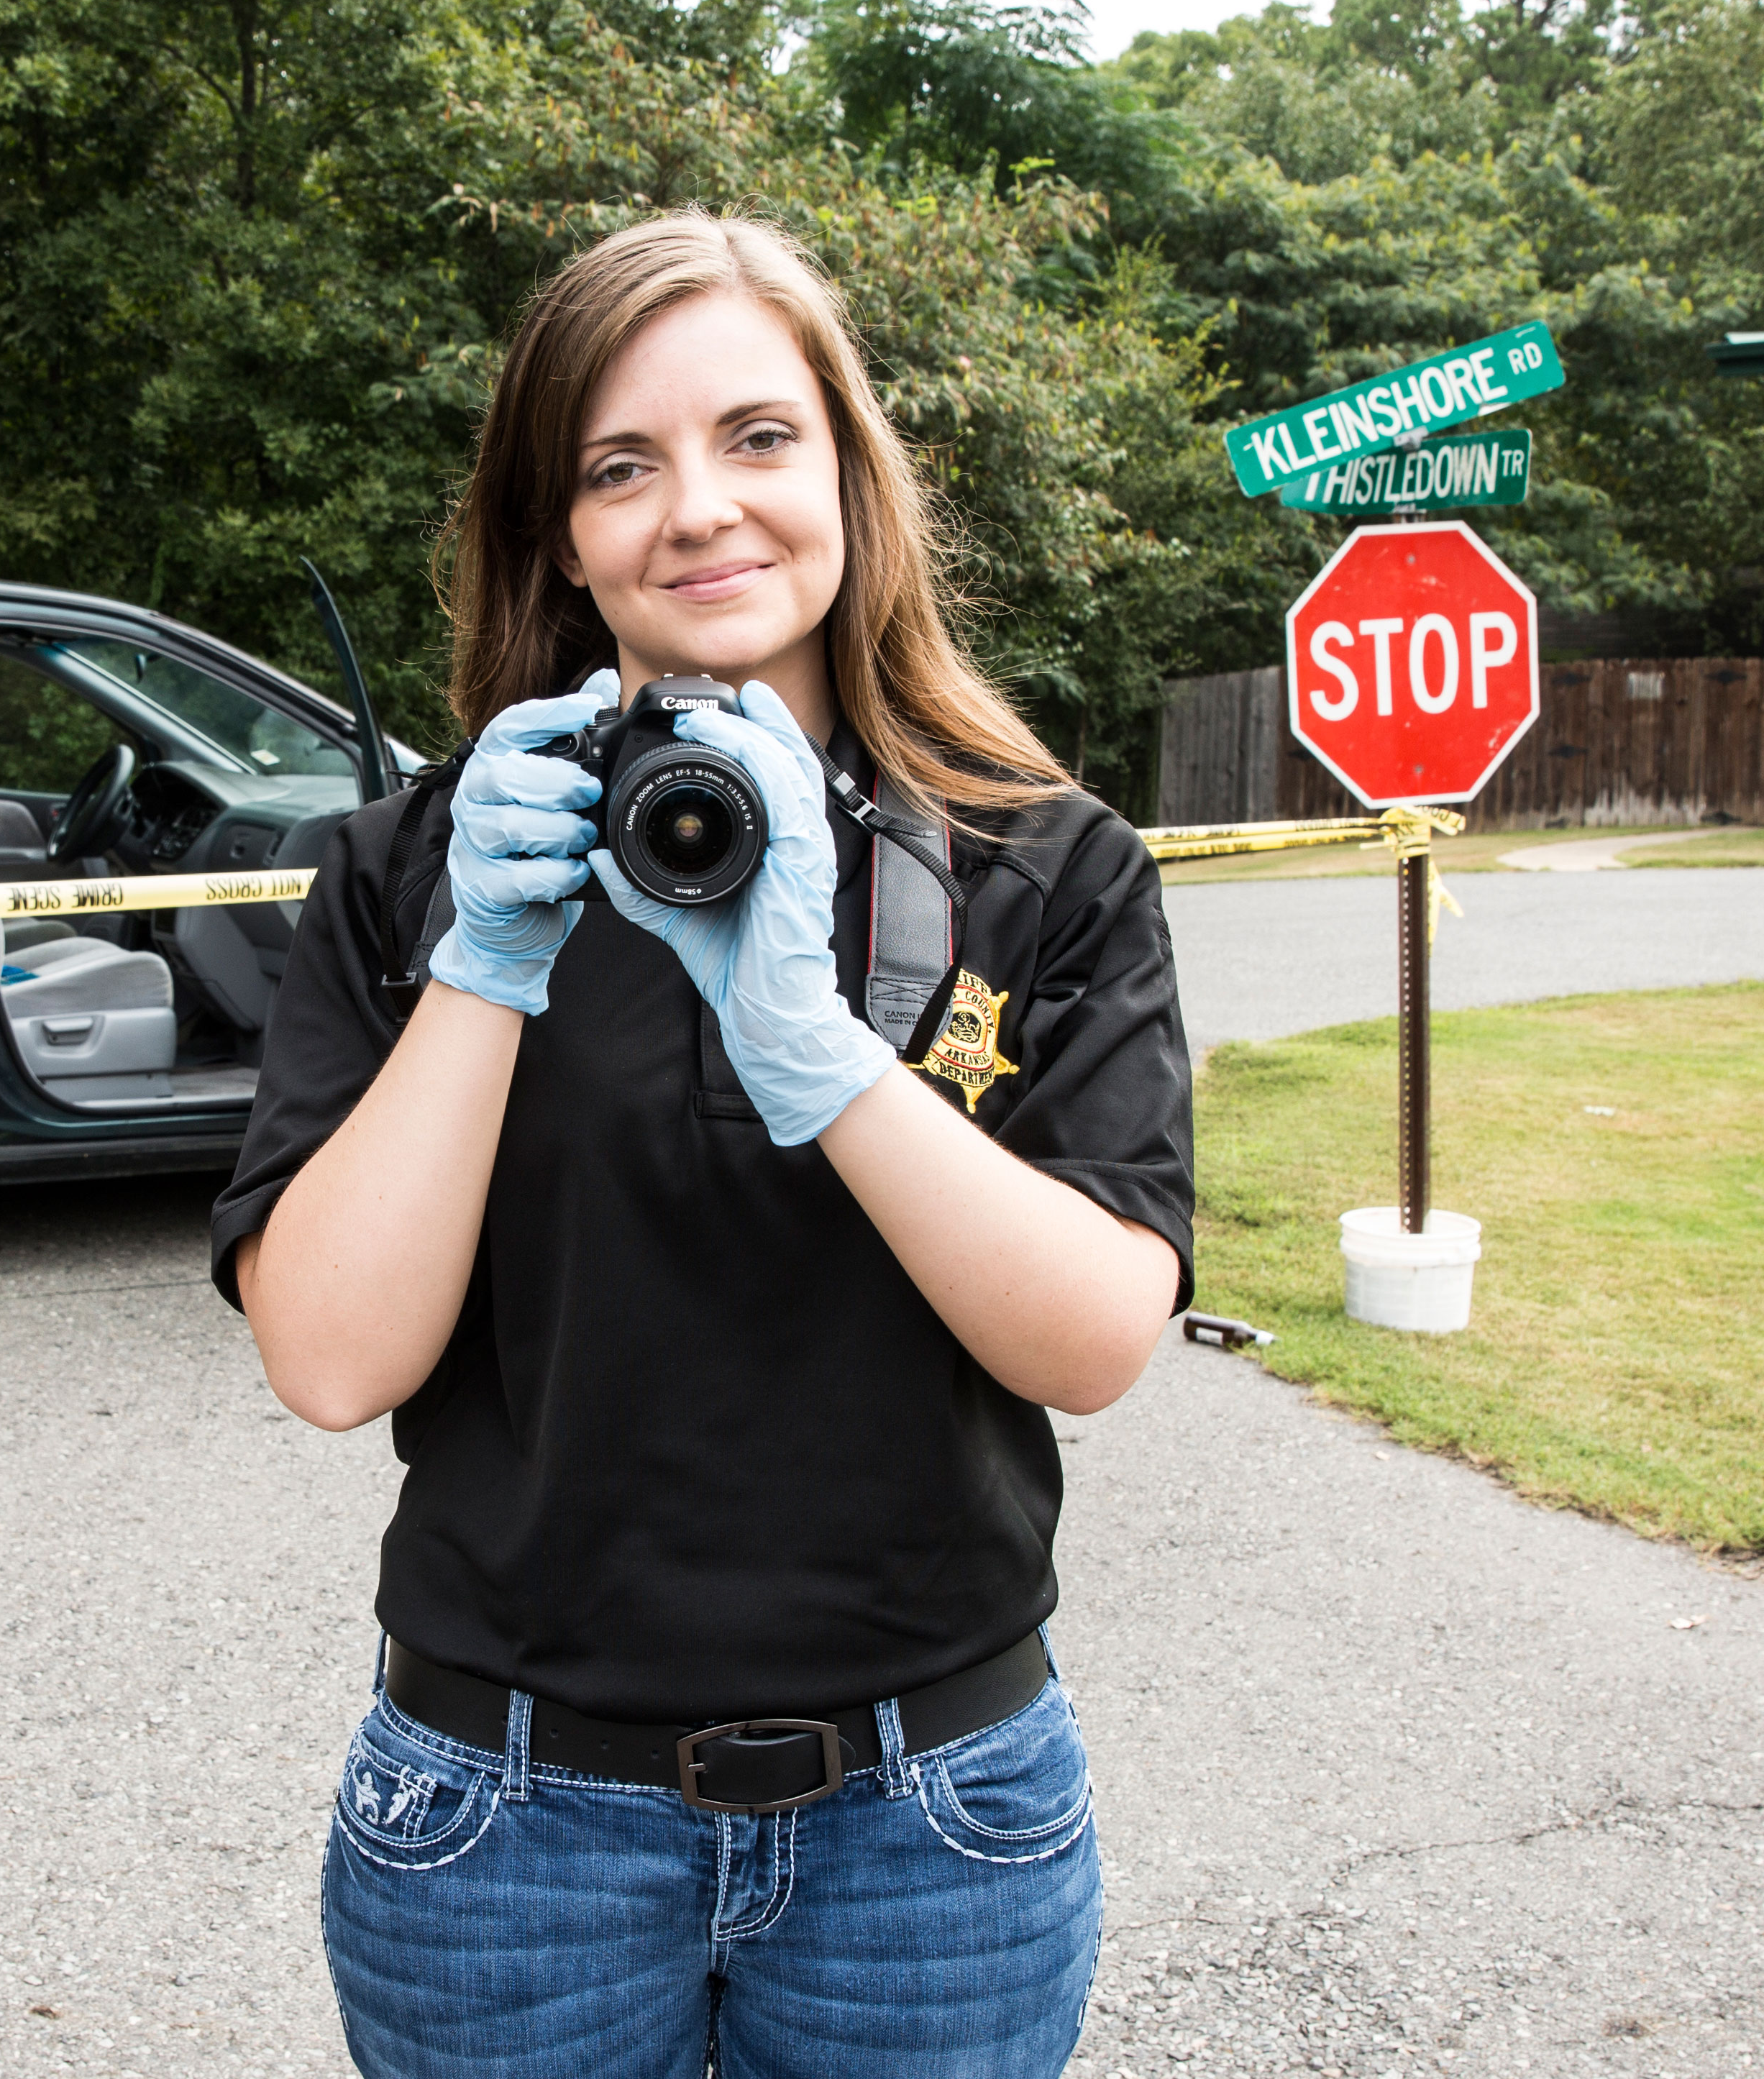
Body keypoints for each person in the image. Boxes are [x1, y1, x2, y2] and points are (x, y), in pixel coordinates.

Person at [216, 214, 1194, 2077]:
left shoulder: (1050, 865)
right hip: (506, 1828)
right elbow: (334, 1361)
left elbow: (1091, 1342)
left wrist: (816, 1053)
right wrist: (481, 966)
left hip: (939, 1824)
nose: (699, 510)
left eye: (759, 437)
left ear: (849, 471)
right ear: (558, 537)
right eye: (619, 465)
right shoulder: (416, 872)